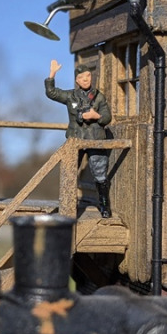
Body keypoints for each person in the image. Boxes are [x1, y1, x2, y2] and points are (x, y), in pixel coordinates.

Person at [44, 59, 113, 217]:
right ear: (77, 80)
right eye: (82, 77)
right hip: (76, 139)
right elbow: (51, 93)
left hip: (95, 139)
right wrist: (52, 74)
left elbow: (107, 117)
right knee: (69, 170)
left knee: (100, 174)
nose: (86, 79)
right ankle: (67, 206)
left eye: (88, 76)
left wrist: (97, 116)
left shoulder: (99, 97)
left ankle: (104, 207)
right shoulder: (70, 96)